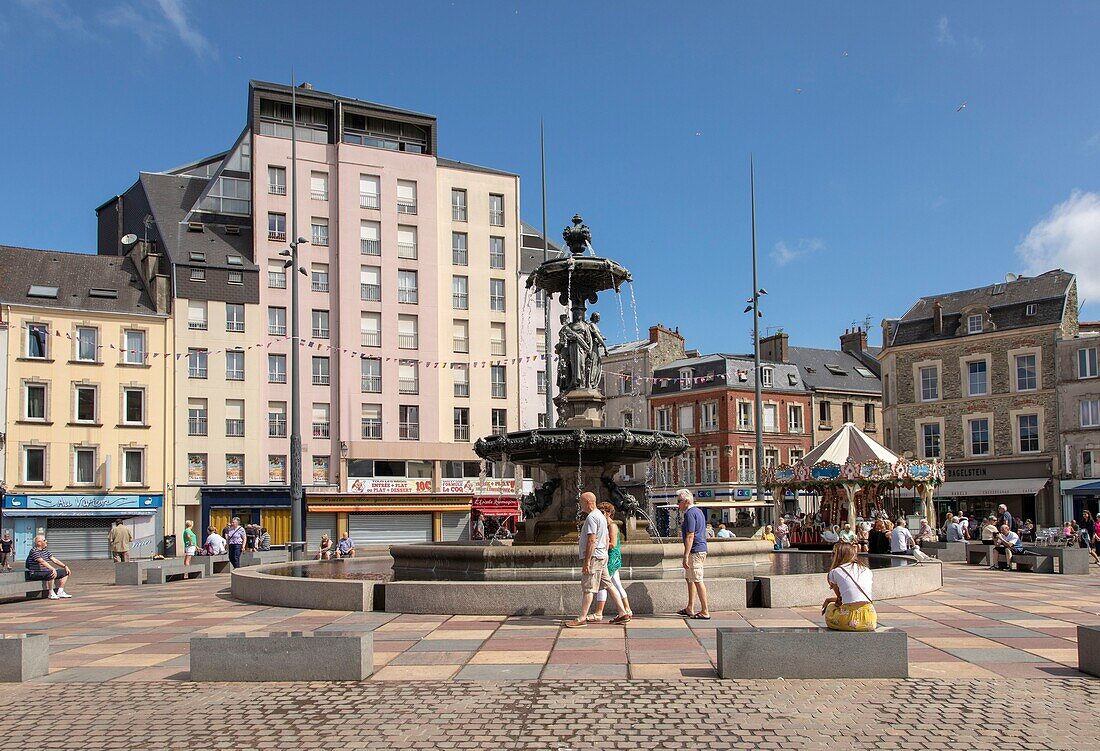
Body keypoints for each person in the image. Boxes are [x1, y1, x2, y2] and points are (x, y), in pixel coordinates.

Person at [566, 492, 630, 627]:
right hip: (602, 556)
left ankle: (582, 618)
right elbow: (606, 539)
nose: (580, 505)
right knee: (609, 585)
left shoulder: (591, 518)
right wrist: (604, 553)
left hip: (595, 557)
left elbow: (591, 540)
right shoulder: (601, 517)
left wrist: (587, 561)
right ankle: (622, 612)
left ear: (588, 502)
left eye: (581, 502)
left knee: (588, 588)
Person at [589, 502, 633, 623]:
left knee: (603, 584)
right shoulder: (605, 525)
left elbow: (613, 544)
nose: (600, 514)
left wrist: (598, 544)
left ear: (609, 513)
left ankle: (598, 613)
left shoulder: (612, 526)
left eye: (602, 512)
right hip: (610, 556)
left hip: (612, 557)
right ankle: (627, 610)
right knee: (616, 584)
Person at [821, 542, 876, 632]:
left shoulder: (835, 572)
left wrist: (829, 600)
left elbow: (841, 599)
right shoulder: (867, 570)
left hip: (849, 619)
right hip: (870, 618)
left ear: (838, 555)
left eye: (833, 553)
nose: (831, 556)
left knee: (831, 608)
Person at [675, 488, 710, 620]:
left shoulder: (690, 514)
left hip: (695, 550)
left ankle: (705, 611)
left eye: (679, 501)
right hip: (699, 549)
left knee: (697, 579)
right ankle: (690, 607)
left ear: (687, 501)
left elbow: (690, 536)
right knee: (691, 579)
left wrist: (685, 555)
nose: (678, 504)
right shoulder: (698, 512)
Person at [25, 535, 73, 600]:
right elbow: (42, 561)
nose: (46, 541)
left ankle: (60, 591)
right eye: (44, 540)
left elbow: (54, 560)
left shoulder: (45, 551)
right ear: (39, 543)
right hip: (35, 573)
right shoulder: (34, 551)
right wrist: (52, 569)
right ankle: (51, 593)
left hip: (45, 572)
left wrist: (65, 566)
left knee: (65, 572)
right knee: (51, 573)